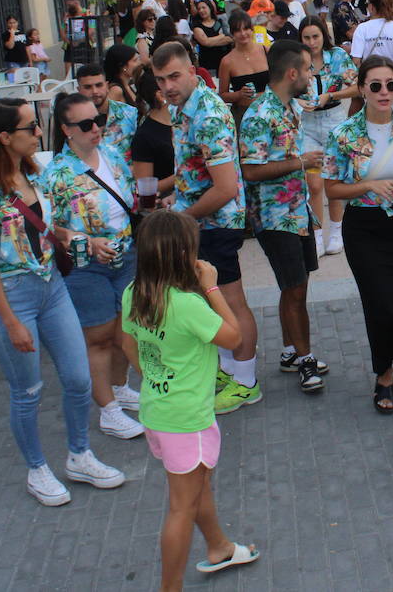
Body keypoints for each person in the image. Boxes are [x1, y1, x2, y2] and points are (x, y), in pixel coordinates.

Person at [0, 98, 126, 505]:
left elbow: (52, 232)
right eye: (31, 128)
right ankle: (37, 468)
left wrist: (87, 241)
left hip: (52, 289)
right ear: (3, 137)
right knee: (27, 391)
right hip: (15, 298)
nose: (39, 134)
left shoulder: (33, 176)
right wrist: (10, 321)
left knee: (77, 378)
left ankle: (79, 454)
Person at [119, 211, 257, 589]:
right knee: (181, 508)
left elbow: (128, 340)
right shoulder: (187, 303)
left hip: (158, 410)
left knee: (196, 487)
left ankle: (219, 547)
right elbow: (233, 338)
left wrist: (153, 377)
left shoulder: (135, 291)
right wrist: (212, 288)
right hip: (187, 419)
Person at [151, 42, 259, 414]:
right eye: (161, 79)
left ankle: (247, 381)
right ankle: (228, 372)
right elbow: (194, 170)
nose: (168, 85)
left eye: (175, 76)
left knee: (230, 302)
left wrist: (183, 216)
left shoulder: (208, 114)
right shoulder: (182, 107)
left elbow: (226, 188)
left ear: (193, 71)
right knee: (209, 304)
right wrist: (174, 196)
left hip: (216, 224)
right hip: (198, 220)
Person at [324, 56, 393, 414]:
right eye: (375, 85)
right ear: (362, 89)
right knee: (382, 304)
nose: (384, 92)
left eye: (391, 84)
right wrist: (368, 185)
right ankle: (384, 375)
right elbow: (331, 189)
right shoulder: (342, 135)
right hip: (365, 228)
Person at [41, 93, 145, 441]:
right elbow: (47, 226)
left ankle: (119, 387)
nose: (96, 129)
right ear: (67, 130)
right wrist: (86, 241)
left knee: (124, 331)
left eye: (98, 120)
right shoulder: (58, 173)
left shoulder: (113, 154)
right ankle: (108, 410)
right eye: (86, 125)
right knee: (98, 337)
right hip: (86, 265)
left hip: (125, 255)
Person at [239, 40, 327, 394]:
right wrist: (301, 162)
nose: (311, 74)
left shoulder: (289, 106)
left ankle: (291, 352)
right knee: (294, 288)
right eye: (306, 69)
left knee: (296, 286)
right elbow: (250, 170)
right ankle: (306, 359)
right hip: (275, 219)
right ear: (292, 73)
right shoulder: (260, 115)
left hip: (296, 212)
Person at [295, 16, 358, 256]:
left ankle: (336, 231)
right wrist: (298, 100)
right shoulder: (298, 60)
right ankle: (318, 234)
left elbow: (357, 85)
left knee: (333, 178)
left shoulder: (338, 56)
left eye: (315, 37)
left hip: (333, 120)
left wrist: (331, 96)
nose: (312, 43)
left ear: (323, 35)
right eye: (306, 38)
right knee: (313, 182)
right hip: (308, 123)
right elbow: (286, 88)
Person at [76, 63, 137, 162]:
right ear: (79, 90)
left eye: (99, 85)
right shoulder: (73, 120)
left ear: (107, 86)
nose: (95, 91)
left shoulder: (130, 114)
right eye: (88, 87)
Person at [132, 68, 175, 195]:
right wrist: (181, 175)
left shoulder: (182, 122)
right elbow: (144, 189)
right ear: (161, 95)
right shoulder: (144, 136)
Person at [63, 0, 96, 76]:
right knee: (69, 73)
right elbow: (63, 31)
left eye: (69, 5)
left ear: (76, 3)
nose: (68, 7)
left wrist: (79, 41)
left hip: (84, 45)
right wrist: (70, 42)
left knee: (86, 71)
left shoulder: (88, 14)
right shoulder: (67, 15)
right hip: (69, 46)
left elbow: (91, 30)